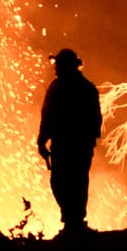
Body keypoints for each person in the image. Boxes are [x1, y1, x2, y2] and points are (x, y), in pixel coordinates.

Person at [37, 48, 102, 237]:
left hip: (71, 145)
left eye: (58, 65)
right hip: (73, 145)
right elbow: (48, 116)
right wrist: (42, 140)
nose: (55, 69)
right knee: (68, 181)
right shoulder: (83, 87)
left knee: (71, 181)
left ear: (67, 66)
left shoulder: (76, 88)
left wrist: (43, 140)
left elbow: (48, 116)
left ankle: (74, 223)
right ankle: (73, 221)